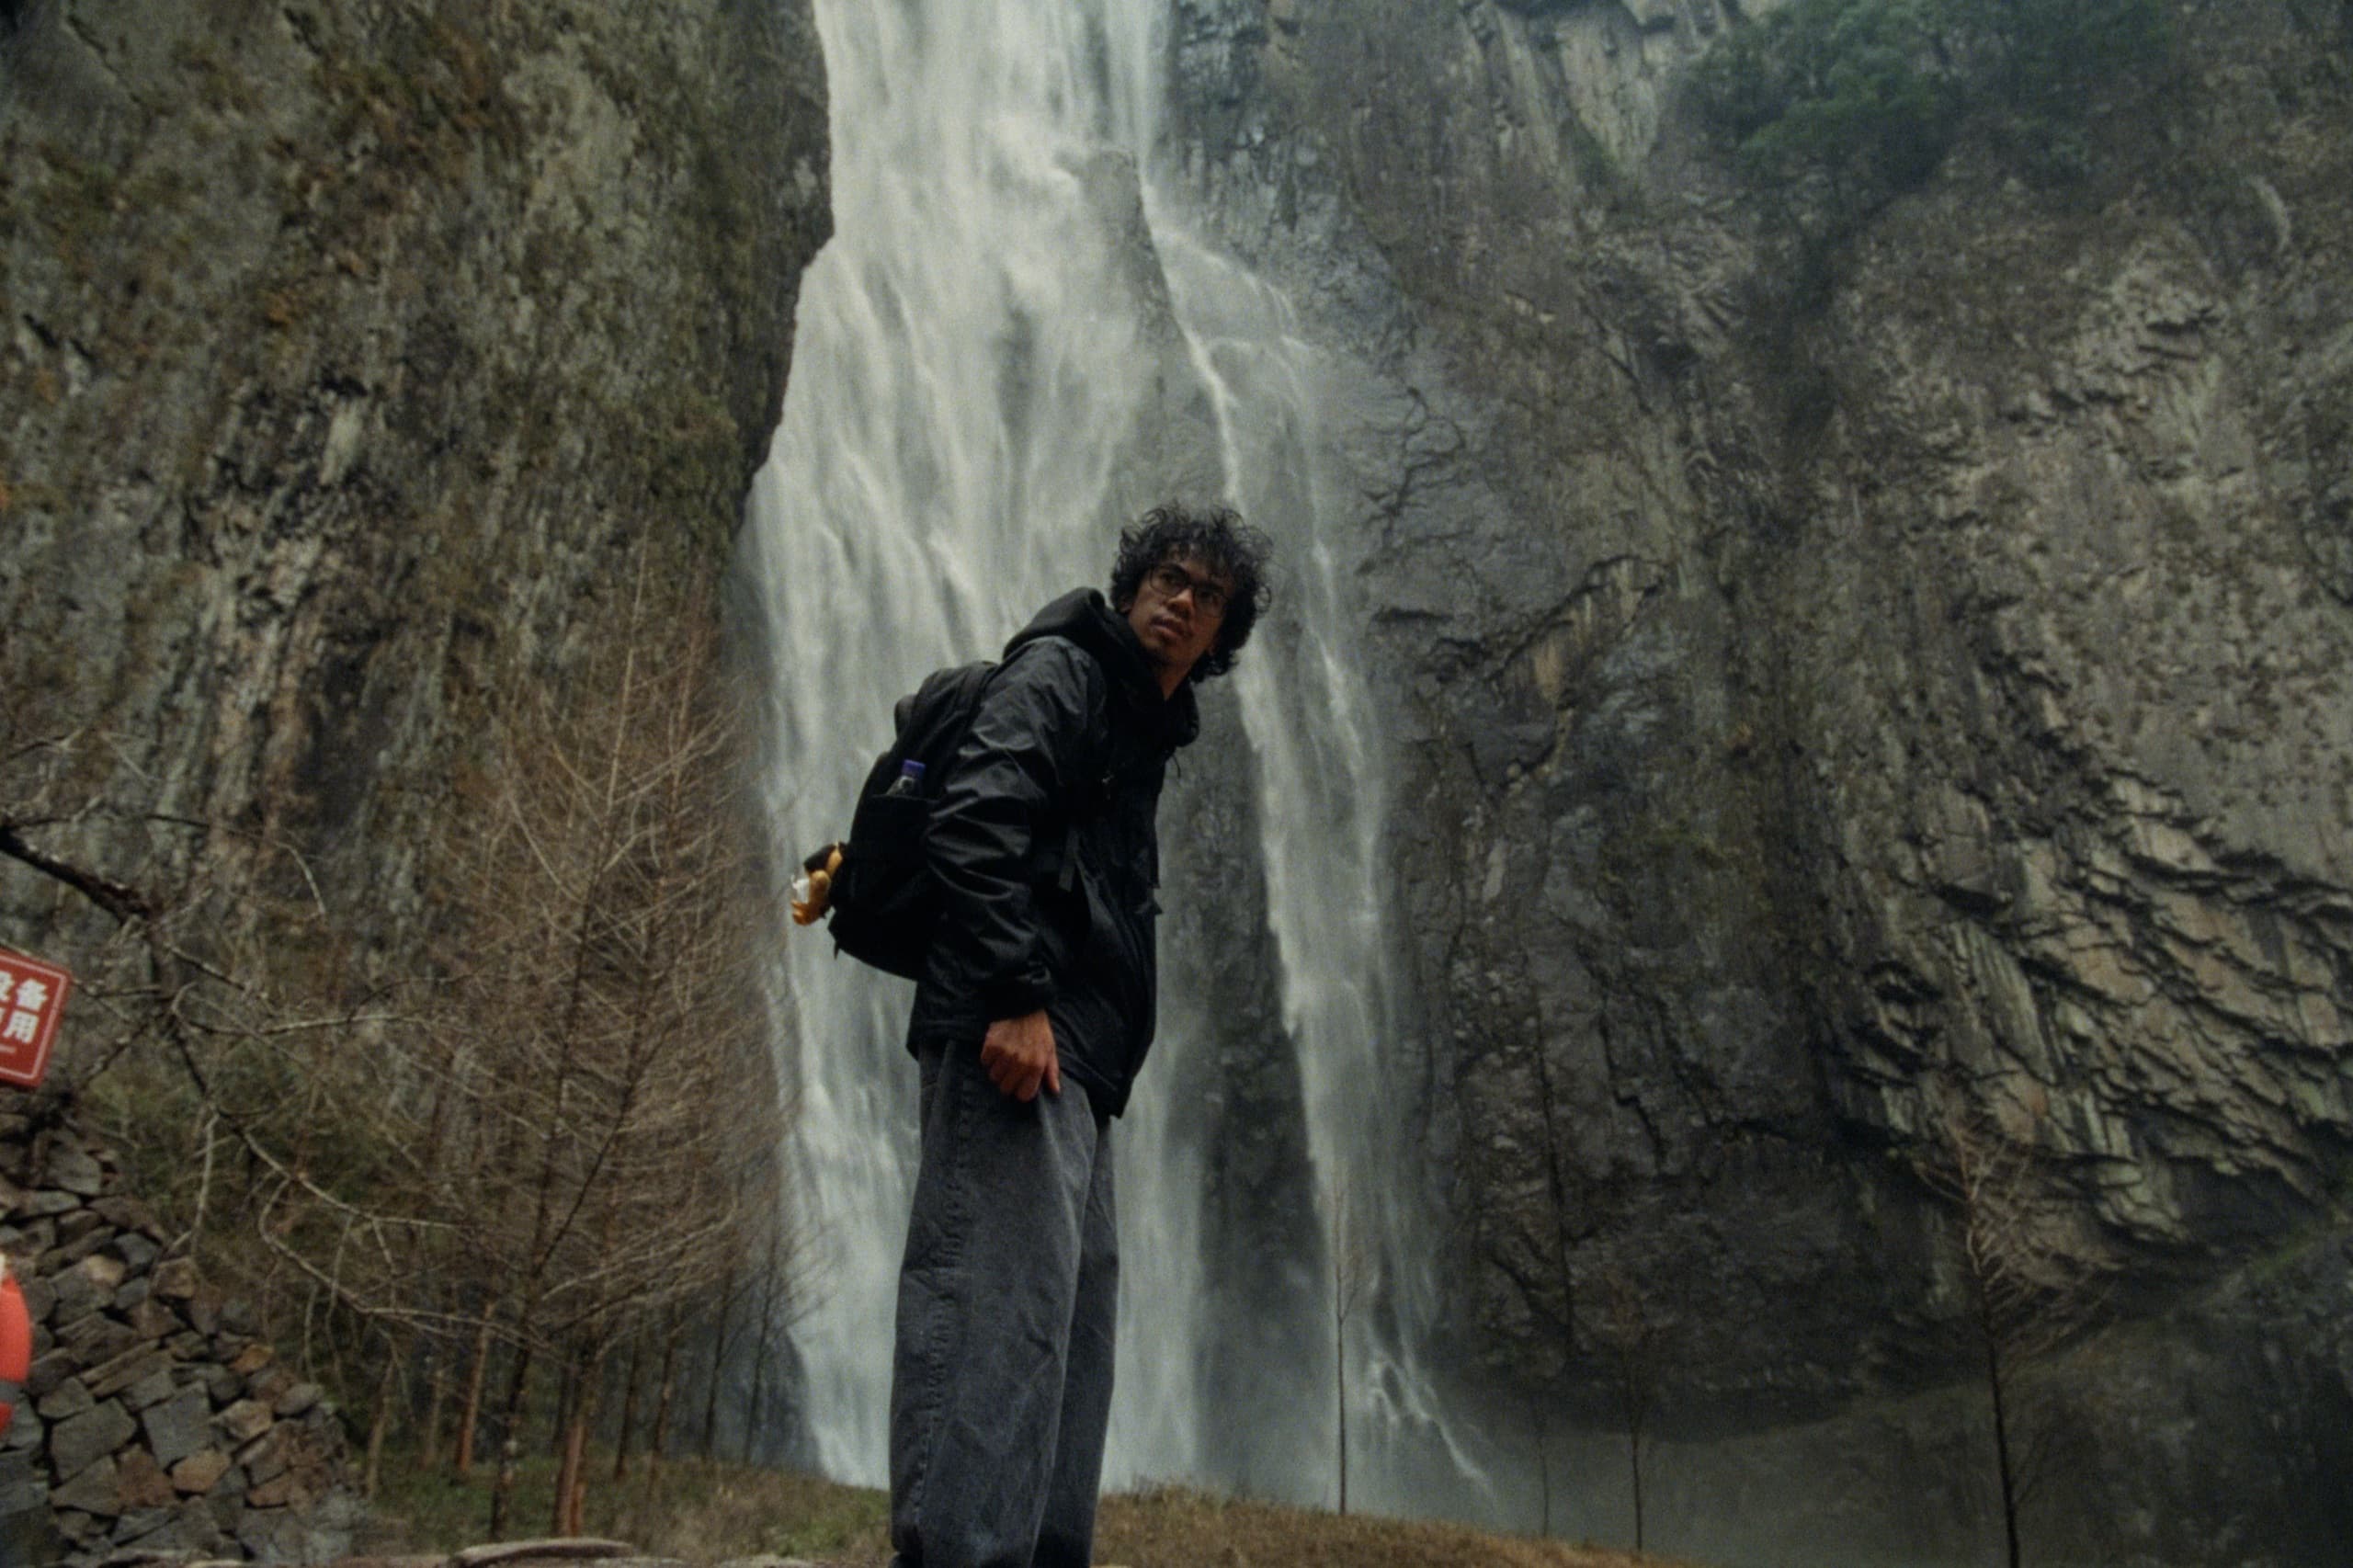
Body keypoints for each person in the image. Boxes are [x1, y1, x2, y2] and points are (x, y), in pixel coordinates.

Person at [886, 504, 1272, 1568]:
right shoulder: (1062, 672)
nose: (1183, 597)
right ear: (1133, 583)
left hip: (1084, 1069)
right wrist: (1014, 991)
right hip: (1019, 1041)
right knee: (992, 1321)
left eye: (1208, 595)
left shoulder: (1143, 732)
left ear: (1218, 638)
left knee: (1067, 1334)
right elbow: (971, 813)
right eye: (1169, 576)